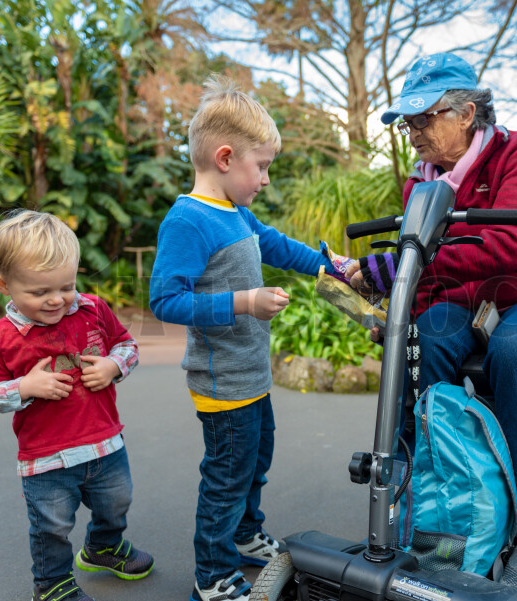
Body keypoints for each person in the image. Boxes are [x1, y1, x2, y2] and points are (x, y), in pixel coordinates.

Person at [346, 53, 517, 601]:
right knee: (421, 340)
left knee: (515, 347)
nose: (412, 133)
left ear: (467, 113)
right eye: (406, 123)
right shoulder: (420, 185)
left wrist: (410, 259)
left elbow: (511, 245)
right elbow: (428, 278)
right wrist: (391, 304)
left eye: (423, 119)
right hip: (466, 301)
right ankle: (426, 490)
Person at [148, 75, 348, 601]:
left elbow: (278, 246)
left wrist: (333, 267)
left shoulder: (237, 213)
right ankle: (211, 576)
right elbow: (166, 301)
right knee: (226, 477)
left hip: (251, 376)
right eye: (260, 167)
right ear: (224, 157)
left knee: (255, 460)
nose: (264, 179)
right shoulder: (188, 221)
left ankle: (243, 534)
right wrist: (245, 302)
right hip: (221, 382)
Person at [0, 210, 153, 601]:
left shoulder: (92, 309)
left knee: (117, 502)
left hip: (105, 443)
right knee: (51, 526)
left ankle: (103, 548)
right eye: (39, 292)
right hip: (46, 459)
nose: (56, 299)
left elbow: (127, 346)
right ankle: (51, 583)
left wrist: (113, 366)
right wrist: (25, 386)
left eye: (66, 286)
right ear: (2, 284)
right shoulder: (1, 338)